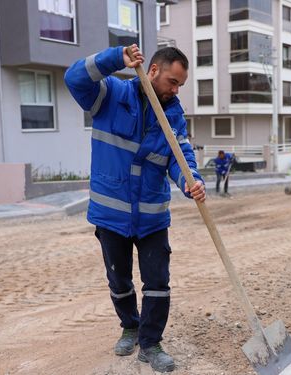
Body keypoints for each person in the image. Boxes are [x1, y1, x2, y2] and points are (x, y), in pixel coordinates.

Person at [65, 44, 205, 373]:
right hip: (111, 215)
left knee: (158, 282)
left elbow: (180, 159)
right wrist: (114, 59)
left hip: (153, 216)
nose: (175, 90)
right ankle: (130, 326)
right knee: (120, 281)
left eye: (180, 85)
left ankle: (151, 342)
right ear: (152, 71)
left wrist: (191, 182)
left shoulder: (173, 116)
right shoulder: (110, 96)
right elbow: (74, 78)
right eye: (172, 81)